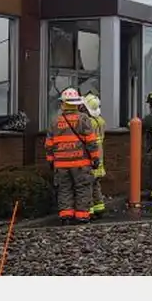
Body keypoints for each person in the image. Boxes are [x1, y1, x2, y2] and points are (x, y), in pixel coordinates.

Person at [45, 88, 101, 226]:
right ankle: (82, 217)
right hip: (81, 164)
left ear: (63, 103)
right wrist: (95, 159)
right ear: (77, 104)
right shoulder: (83, 119)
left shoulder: (55, 122)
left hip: (61, 165)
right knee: (82, 188)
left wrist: (51, 161)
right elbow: (91, 142)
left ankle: (66, 216)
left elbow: (49, 144)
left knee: (64, 189)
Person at [83, 92, 107, 218]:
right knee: (96, 183)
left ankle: (90, 210)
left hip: (91, 154)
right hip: (99, 153)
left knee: (88, 185)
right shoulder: (101, 121)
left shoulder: (89, 122)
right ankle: (99, 207)